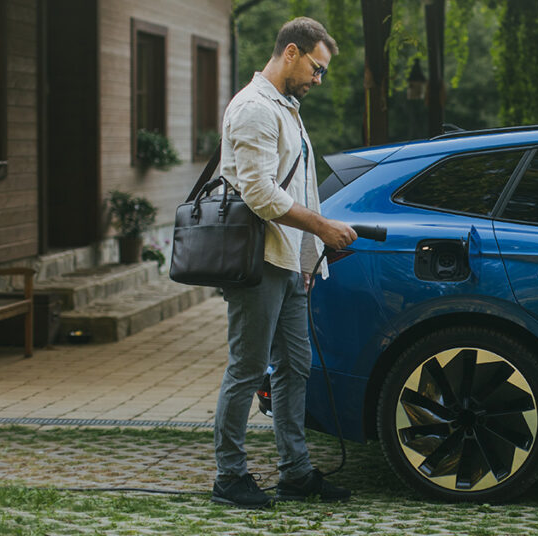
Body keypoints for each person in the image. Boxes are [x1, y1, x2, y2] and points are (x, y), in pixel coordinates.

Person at [211, 17, 357, 509]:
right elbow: (257, 191)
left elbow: (298, 187)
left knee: (296, 365)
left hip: (289, 261)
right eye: (317, 68)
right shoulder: (254, 108)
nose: (319, 80)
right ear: (291, 52)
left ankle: (295, 472)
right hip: (256, 260)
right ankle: (229, 477)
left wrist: (309, 258)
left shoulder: (287, 108)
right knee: (248, 368)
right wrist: (320, 227)